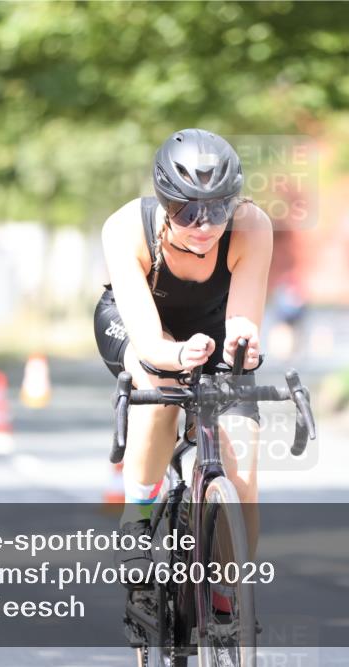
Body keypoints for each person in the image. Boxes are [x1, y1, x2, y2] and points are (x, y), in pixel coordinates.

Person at [94, 129, 272, 614]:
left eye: (216, 208)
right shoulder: (125, 228)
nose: (203, 224)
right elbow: (152, 344)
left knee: (245, 466)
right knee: (161, 380)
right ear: (163, 200)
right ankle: (139, 512)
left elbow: (241, 320)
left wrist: (243, 344)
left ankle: (225, 588)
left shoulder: (251, 227)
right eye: (187, 209)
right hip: (139, 325)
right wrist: (176, 356)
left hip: (212, 329)